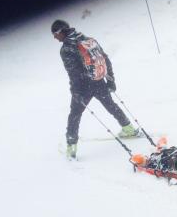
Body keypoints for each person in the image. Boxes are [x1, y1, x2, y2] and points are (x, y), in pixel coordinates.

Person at [52, 19, 139, 159]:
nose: (55, 38)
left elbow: (73, 74)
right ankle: (128, 129)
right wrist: (110, 80)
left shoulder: (66, 49)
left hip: (83, 87)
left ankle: (71, 148)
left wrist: (76, 93)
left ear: (60, 32)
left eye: (55, 35)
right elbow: (105, 59)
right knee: (111, 105)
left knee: (74, 115)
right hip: (98, 81)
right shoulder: (87, 40)